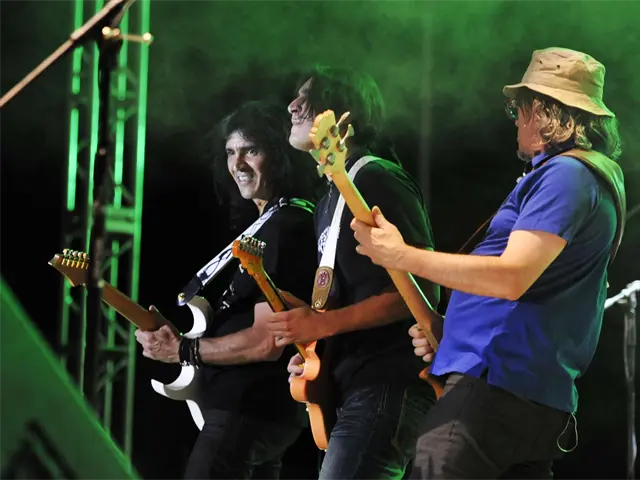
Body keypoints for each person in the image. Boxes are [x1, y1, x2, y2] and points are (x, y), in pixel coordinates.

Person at [351, 47, 625, 479]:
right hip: (527, 399)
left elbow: (511, 277)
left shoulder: (567, 175)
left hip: (495, 391)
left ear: (546, 112)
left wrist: (401, 255)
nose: (515, 120)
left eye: (519, 109)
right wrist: (450, 331)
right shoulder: (585, 178)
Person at [263, 66, 441, 479]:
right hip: (353, 388)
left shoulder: (376, 177)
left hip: (387, 385)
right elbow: (356, 295)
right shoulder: (329, 198)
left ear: (343, 115)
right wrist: (313, 352)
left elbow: (420, 291)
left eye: (308, 97)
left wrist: (321, 325)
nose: (292, 106)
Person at [135, 101, 321, 480]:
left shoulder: (287, 226)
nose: (237, 164)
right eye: (230, 153)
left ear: (280, 155)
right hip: (251, 411)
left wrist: (184, 350)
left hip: (248, 408)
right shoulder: (267, 226)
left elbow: (267, 341)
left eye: (250, 150)